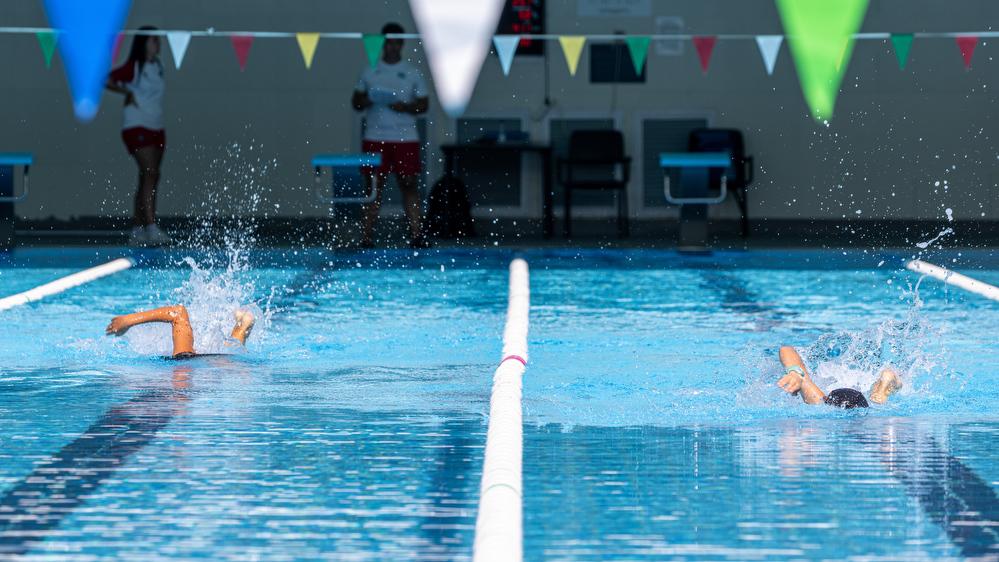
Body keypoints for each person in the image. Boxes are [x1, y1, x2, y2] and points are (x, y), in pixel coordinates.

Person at [351, 22, 431, 249]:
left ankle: (416, 235)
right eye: (389, 42)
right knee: (373, 188)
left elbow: (424, 104)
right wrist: (369, 99)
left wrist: (404, 107)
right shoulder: (369, 71)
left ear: (402, 44)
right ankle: (366, 238)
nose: (393, 46)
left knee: (409, 185)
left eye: (397, 42)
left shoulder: (413, 73)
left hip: (406, 138)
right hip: (374, 137)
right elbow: (356, 103)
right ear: (383, 43)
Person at [106, 26, 171, 247]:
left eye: (158, 40)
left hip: (156, 125)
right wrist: (127, 92)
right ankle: (151, 227)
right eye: (153, 40)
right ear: (142, 43)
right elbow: (106, 79)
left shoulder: (158, 66)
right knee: (150, 172)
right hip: (136, 125)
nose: (157, 44)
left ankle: (137, 228)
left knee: (149, 177)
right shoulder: (134, 66)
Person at [105, 305, 255, 359]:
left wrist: (127, 320)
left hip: (217, 365)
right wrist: (128, 320)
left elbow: (178, 312)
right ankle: (242, 325)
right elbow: (178, 312)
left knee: (231, 353)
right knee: (231, 353)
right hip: (219, 363)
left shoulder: (182, 359)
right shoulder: (183, 359)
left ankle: (242, 325)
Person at [776, 345, 902, 408]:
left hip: (853, 391)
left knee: (877, 401)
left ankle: (883, 387)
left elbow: (785, 349)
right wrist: (795, 373)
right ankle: (883, 387)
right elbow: (785, 349)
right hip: (860, 393)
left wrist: (795, 373)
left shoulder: (818, 402)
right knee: (877, 401)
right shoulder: (817, 401)